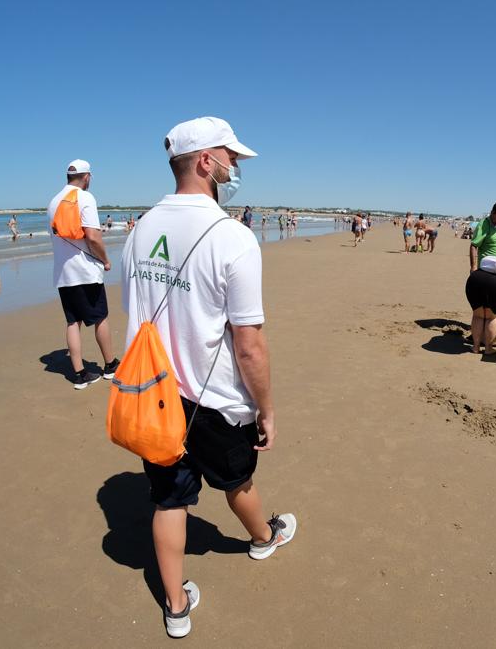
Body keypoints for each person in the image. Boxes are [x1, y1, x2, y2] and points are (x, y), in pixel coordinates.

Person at [124, 116, 295, 639]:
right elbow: (249, 344)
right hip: (212, 398)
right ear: (205, 162)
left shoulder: (140, 228)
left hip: (153, 396)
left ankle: (176, 607)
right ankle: (263, 538)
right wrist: (265, 409)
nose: (236, 165)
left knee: (169, 498)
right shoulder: (233, 237)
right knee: (237, 478)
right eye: (231, 156)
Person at [47, 159, 118, 389]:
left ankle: (79, 375)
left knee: (72, 322)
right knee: (100, 318)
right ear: (87, 177)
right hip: (86, 272)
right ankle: (110, 365)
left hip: (63, 273)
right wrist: (105, 260)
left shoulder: (53, 202)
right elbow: (93, 236)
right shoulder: (85, 198)